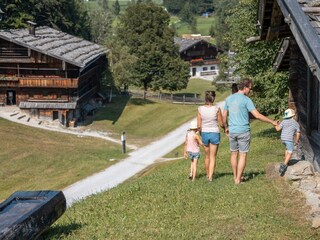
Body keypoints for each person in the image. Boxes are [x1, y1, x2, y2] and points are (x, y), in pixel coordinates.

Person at [222, 78, 278, 184]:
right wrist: (272, 122)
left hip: (232, 131)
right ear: (245, 87)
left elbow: (224, 115)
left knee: (233, 154)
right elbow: (257, 115)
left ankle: (235, 177)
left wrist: (226, 127)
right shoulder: (246, 100)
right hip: (243, 131)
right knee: (242, 155)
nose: (250, 91)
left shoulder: (229, 99)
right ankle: (238, 179)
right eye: (250, 88)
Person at [197, 91, 225, 181]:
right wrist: (225, 126)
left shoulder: (200, 109)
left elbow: (198, 125)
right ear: (213, 98)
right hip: (214, 133)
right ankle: (210, 177)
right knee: (213, 156)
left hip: (205, 133)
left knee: (207, 156)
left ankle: (207, 173)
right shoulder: (217, 109)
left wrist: (201, 133)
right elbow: (221, 123)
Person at [274, 108, 301, 175]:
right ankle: (284, 165)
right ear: (293, 116)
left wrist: (275, 124)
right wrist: (297, 140)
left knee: (287, 149)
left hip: (283, 139)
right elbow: (298, 133)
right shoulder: (295, 123)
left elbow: (277, 129)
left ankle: (287, 161)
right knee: (290, 152)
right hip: (289, 139)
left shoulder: (284, 121)